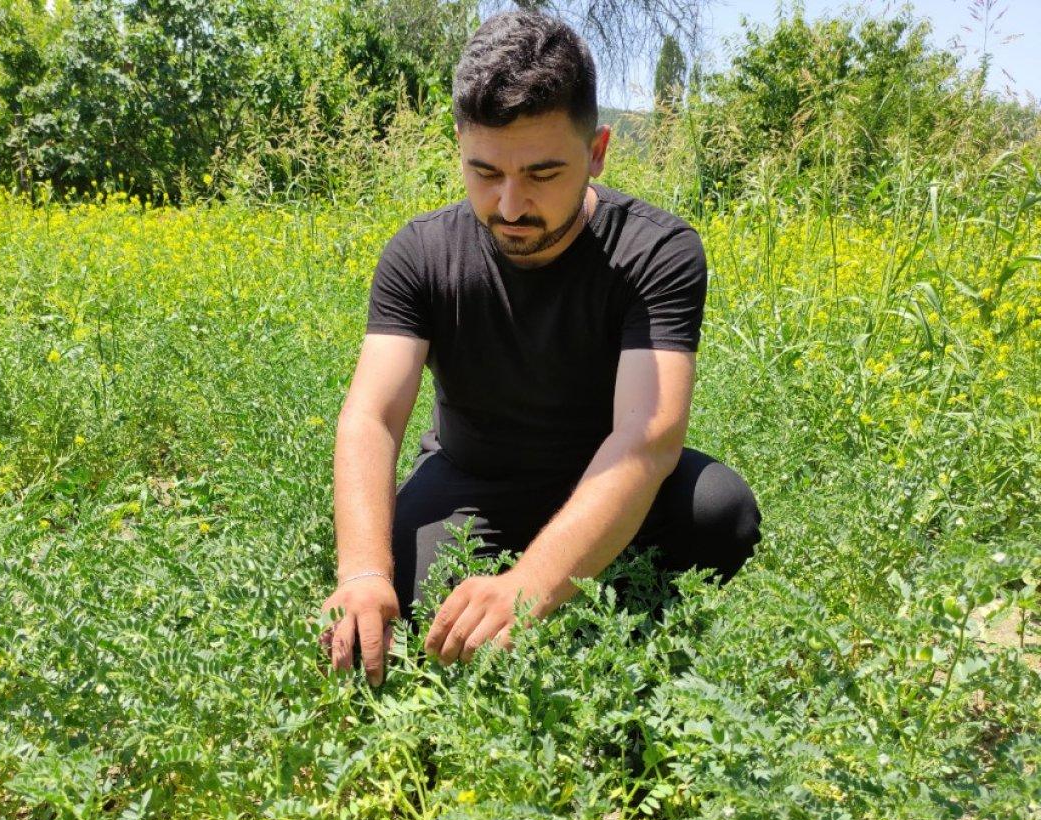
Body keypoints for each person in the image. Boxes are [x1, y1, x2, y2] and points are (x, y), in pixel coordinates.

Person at [317, 10, 761, 688]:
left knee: (719, 513)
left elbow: (647, 441)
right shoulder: (421, 252)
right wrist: (364, 572)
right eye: (484, 171)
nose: (511, 204)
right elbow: (372, 416)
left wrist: (531, 584)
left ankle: (637, 649)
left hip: (606, 481)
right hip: (473, 479)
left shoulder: (656, 251)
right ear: (459, 148)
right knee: (409, 617)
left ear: (599, 151)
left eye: (543, 173)